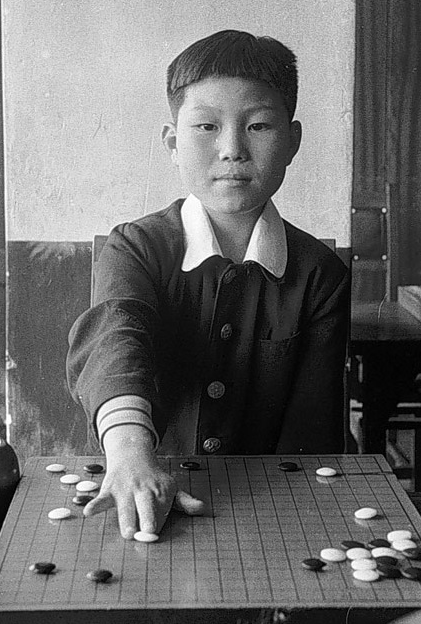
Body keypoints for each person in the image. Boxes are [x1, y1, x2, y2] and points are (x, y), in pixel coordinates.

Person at [66, 29, 350, 539]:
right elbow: (114, 341)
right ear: (173, 144)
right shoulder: (135, 247)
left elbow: (311, 438)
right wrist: (130, 454)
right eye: (206, 126)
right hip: (138, 490)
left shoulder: (320, 275)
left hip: (272, 509)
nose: (232, 149)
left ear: (293, 141)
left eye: (258, 125)